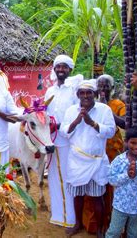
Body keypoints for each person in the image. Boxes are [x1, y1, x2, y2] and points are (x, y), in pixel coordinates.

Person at [61, 79, 116, 237]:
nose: (85, 96)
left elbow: (111, 131)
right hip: (76, 161)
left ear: (95, 94)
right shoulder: (71, 110)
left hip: (96, 161)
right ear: (77, 95)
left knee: (97, 197)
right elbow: (64, 132)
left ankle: (99, 229)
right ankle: (78, 224)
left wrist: (92, 123)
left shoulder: (104, 110)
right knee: (78, 196)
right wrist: (77, 121)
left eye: (89, 92)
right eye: (82, 93)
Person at [82, 74, 126, 233]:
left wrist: (107, 109)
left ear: (112, 88)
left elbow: (125, 123)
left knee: (110, 188)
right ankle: (91, 223)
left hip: (112, 152)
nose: (102, 89)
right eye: (100, 86)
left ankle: (109, 223)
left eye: (106, 86)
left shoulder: (118, 104)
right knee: (93, 189)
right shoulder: (88, 105)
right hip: (93, 153)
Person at [44, 54, 83, 228]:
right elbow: (45, 114)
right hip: (51, 140)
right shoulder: (50, 91)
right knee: (53, 177)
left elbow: (77, 114)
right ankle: (58, 215)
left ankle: (72, 219)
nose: (60, 70)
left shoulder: (75, 90)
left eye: (64, 67)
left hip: (69, 140)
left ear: (70, 70)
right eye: (58, 66)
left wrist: (58, 125)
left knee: (69, 178)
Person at [106, 127, 137, 238]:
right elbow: (111, 180)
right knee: (114, 232)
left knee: (134, 234)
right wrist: (127, 175)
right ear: (126, 142)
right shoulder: (119, 160)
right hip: (119, 206)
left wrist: (135, 177)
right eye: (133, 143)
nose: (136, 147)